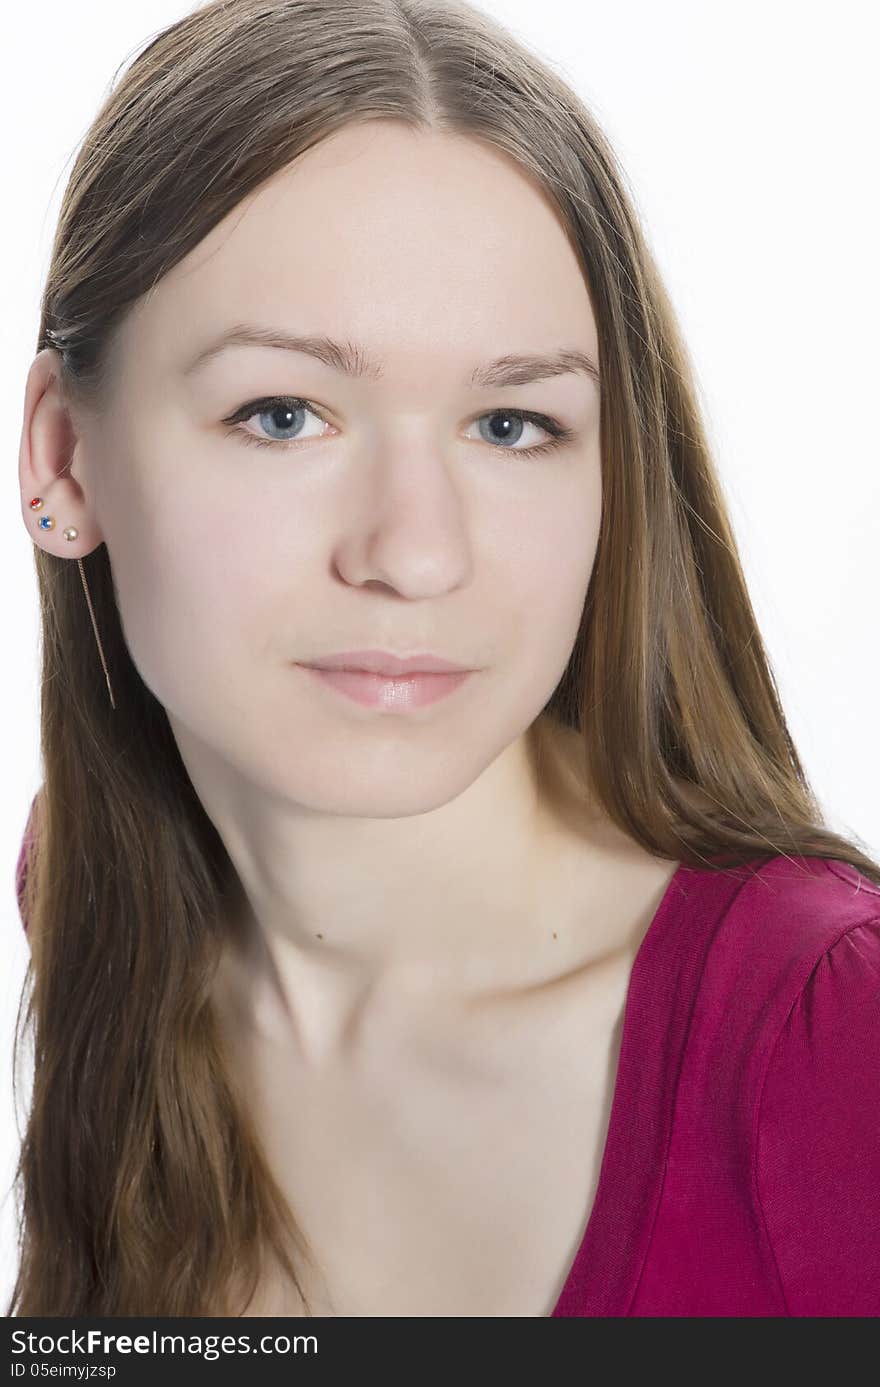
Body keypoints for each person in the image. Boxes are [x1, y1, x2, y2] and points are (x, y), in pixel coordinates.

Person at [10, 0, 880, 1317]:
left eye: (514, 424)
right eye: (284, 413)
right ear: (64, 459)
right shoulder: (94, 894)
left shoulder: (833, 1053)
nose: (415, 554)